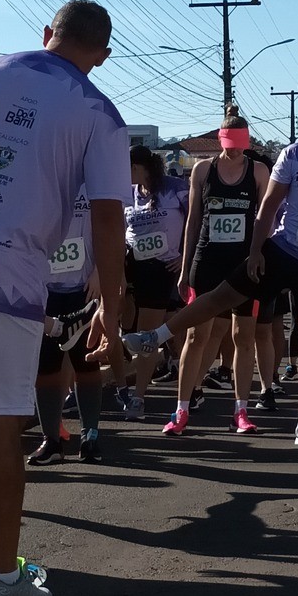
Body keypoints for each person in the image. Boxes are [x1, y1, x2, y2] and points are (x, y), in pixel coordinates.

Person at [0, 0, 131, 596]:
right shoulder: (100, 112)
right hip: (8, 275)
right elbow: (107, 215)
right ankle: (2, 582)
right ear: (101, 54)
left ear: (48, 34)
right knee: (0, 424)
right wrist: (113, 310)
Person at [124, 97, 298, 449]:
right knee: (223, 295)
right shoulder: (294, 155)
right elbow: (269, 206)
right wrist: (257, 249)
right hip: (285, 249)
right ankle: (157, 335)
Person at [171, 120, 269, 435]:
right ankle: (181, 410)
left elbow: (265, 218)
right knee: (196, 336)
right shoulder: (202, 170)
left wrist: (261, 255)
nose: (236, 149)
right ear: (221, 139)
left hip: (243, 264)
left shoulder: (257, 171)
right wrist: (185, 268)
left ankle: (240, 411)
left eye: (241, 143)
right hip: (207, 261)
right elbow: (193, 219)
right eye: (230, 142)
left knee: (243, 337)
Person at [32, 190, 107, 464]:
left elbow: (107, 226)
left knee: (86, 363)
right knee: (46, 367)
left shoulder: (91, 181)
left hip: (84, 287)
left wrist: (101, 270)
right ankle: (51, 440)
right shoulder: (40, 179)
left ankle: (91, 437)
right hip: (44, 288)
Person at [121, 145, 189, 418]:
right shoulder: (128, 193)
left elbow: (196, 221)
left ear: (137, 168)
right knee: (129, 323)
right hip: (131, 264)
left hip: (163, 267)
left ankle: (138, 398)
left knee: (149, 334)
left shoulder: (175, 187)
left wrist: (185, 255)